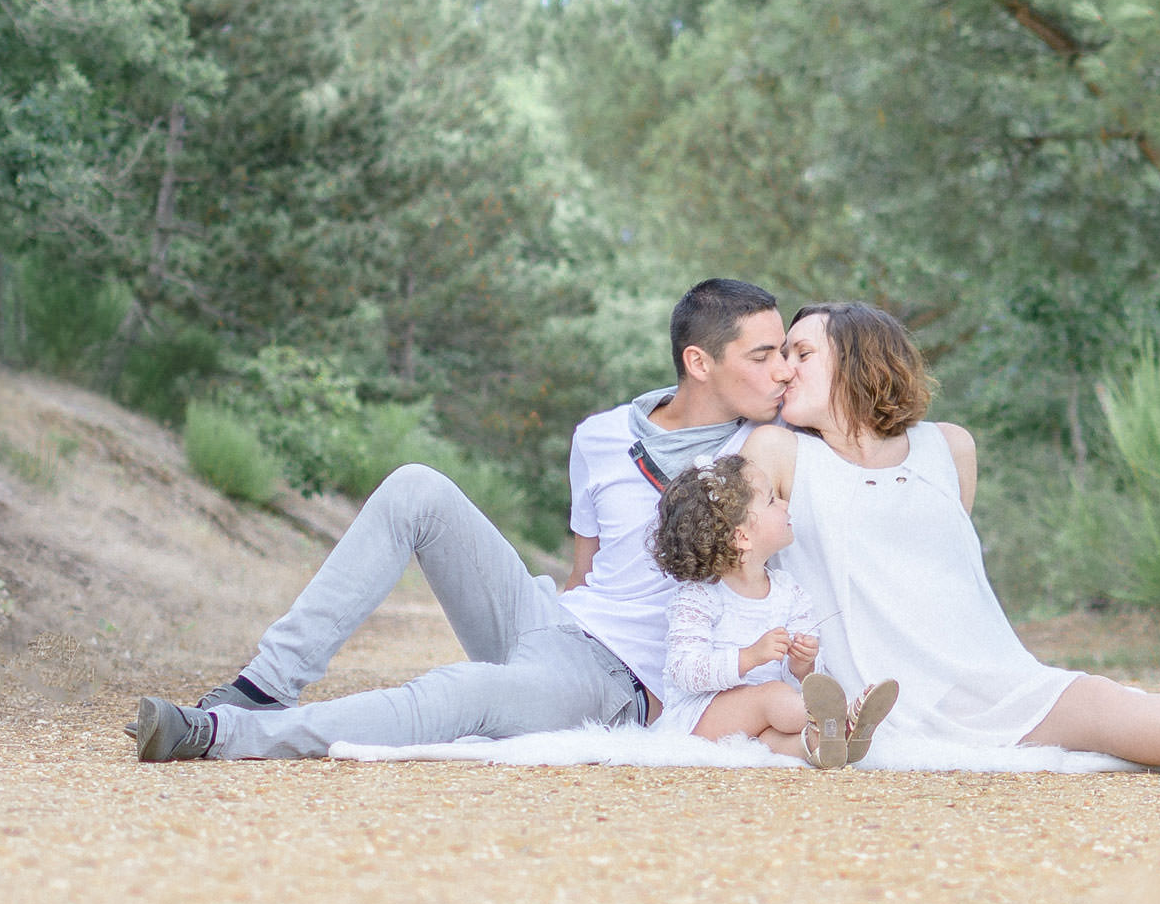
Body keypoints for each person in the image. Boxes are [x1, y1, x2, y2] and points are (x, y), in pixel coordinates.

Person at [125, 279, 794, 761]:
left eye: (784, 354)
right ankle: (258, 688)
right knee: (419, 486)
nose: (781, 372)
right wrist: (543, 631)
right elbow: (585, 571)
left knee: (466, 690)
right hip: (553, 621)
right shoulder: (599, 436)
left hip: (618, 682)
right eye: (762, 356)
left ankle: (219, 735)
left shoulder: (761, 455)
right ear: (698, 361)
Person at [749, 302, 1160, 782]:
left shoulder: (948, 447)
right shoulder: (778, 453)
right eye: (780, 357)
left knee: (1126, 732)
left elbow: (953, 581)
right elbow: (741, 559)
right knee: (1115, 715)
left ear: (859, 360)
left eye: (801, 352)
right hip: (890, 692)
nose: (784, 370)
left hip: (985, 670)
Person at [648, 453, 900, 767]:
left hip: (760, 721)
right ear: (742, 537)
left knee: (774, 735)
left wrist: (803, 664)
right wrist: (750, 656)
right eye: (770, 500)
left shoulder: (788, 591)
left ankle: (822, 743)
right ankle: (838, 721)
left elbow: (804, 678)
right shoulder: (700, 597)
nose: (783, 503)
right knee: (772, 696)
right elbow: (685, 672)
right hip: (699, 721)